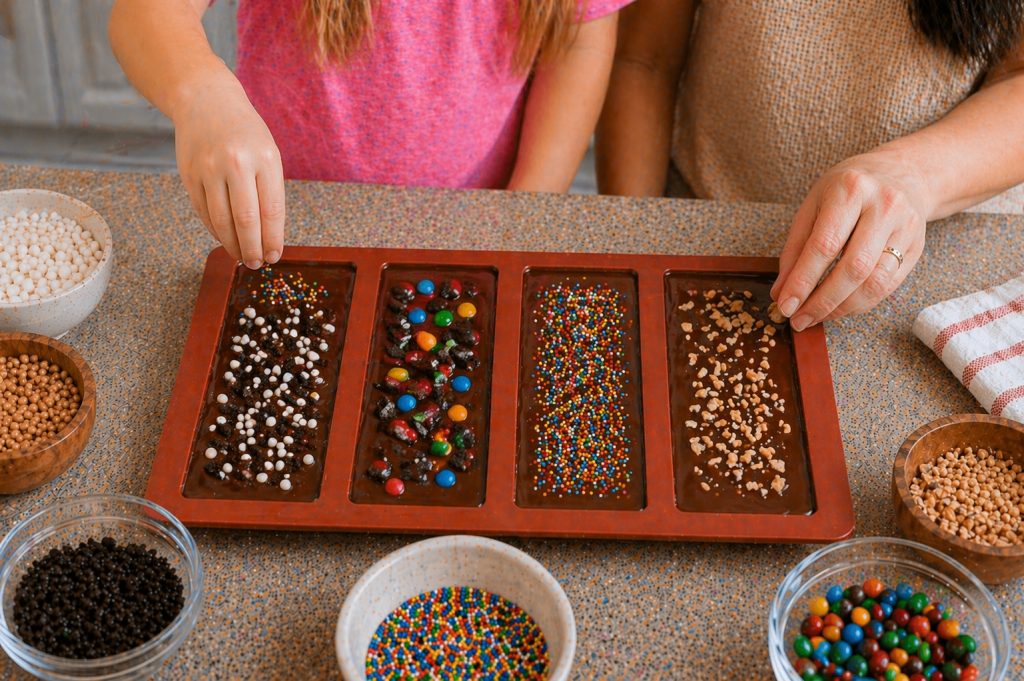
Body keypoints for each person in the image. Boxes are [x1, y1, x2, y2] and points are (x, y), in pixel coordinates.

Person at [595, 0, 1024, 331]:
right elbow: (644, 59)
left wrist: (911, 174)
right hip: (704, 224)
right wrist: (637, 233)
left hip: (939, 263)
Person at [109, 0, 628, 269]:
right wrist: (202, 95)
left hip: (479, 223)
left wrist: (526, 207)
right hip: (289, 223)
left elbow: (579, 41)